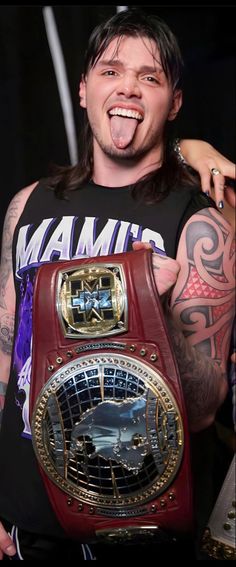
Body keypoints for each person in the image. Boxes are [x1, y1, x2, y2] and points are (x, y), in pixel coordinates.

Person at [0, 8, 235, 561]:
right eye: (111, 71)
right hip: (22, 530)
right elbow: (5, 359)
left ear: (173, 102)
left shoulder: (200, 224)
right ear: (83, 90)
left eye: (149, 77)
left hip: (140, 532)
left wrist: (149, 304)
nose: (128, 87)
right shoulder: (25, 206)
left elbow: (203, 409)